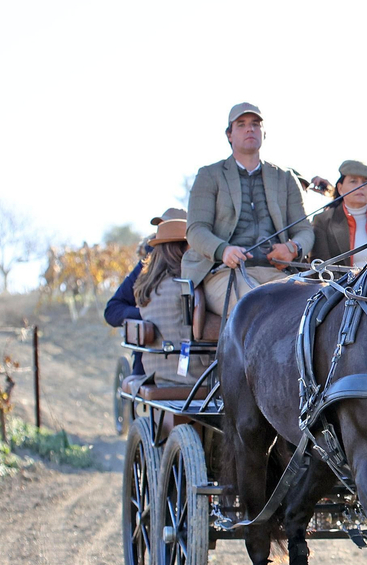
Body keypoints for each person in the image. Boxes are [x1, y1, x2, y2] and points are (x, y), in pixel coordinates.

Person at [182, 102, 314, 323]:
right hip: (224, 273)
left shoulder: (285, 178)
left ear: (264, 132)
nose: (250, 129)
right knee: (257, 305)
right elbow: (195, 230)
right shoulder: (209, 175)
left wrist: (293, 248)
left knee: (315, 307)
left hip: (277, 273)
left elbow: (305, 230)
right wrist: (223, 250)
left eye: (255, 124)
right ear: (229, 134)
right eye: (241, 124)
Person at [105, 207, 186, 376]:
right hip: (149, 359)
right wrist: (146, 316)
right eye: (161, 228)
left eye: (169, 228)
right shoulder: (146, 268)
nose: (162, 232)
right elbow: (112, 310)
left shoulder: (197, 265)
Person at [131, 215, 206, 385]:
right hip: (192, 377)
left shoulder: (146, 287)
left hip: (157, 373)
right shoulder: (186, 286)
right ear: (179, 248)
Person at [310, 160, 367, 270]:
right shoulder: (323, 221)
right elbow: (320, 269)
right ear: (340, 188)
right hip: (342, 286)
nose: (361, 186)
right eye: (353, 181)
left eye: (366, 182)